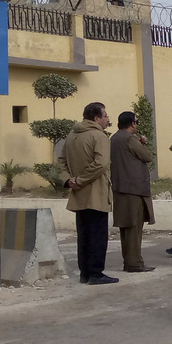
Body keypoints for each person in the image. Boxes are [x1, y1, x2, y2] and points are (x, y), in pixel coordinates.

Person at [59, 102, 118, 285]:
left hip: (78, 193)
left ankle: (84, 272)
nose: (108, 119)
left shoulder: (71, 136)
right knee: (97, 234)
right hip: (96, 192)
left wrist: (69, 180)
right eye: (105, 116)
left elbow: (61, 161)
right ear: (96, 118)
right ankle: (95, 273)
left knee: (83, 234)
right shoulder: (99, 136)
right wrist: (82, 179)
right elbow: (101, 163)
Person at [110, 111, 155, 273]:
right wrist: (142, 143)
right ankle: (135, 263)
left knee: (126, 228)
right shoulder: (130, 139)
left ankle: (129, 261)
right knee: (134, 228)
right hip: (133, 189)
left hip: (120, 187)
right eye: (137, 121)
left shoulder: (114, 138)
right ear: (132, 123)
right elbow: (147, 156)